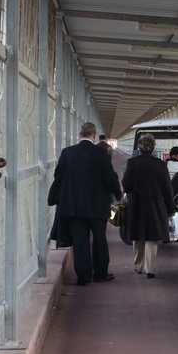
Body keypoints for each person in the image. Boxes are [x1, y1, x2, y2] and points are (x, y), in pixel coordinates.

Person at [48, 121, 123, 286]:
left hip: (74, 207)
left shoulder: (67, 153)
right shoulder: (101, 153)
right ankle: (100, 273)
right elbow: (110, 177)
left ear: (80, 134)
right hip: (97, 206)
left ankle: (84, 277)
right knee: (99, 239)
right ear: (94, 135)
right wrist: (118, 195)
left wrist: (52, 198)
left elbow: (58, 177)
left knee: (80, 242)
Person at [122, 133, 174, 279]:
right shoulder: (160, 164)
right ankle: (150, 269)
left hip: (136, 203)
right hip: (155, 204)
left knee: (138, 235)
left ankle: (138, 266)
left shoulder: (132, 163)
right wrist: (170, 208)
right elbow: (167, 189)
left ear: (139, 147)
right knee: (152, 236)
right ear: (153, 147)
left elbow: (126, 185)